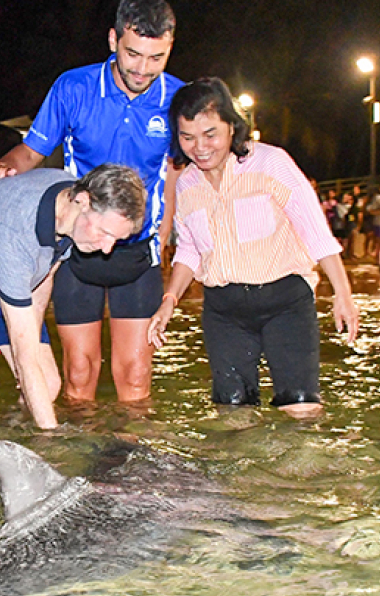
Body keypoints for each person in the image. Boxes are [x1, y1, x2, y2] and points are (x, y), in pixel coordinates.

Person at [0, 0, 182, 405]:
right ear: (112, 40)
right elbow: (32, 151)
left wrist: (167, 234)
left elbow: (178, 170)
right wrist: (0, 167)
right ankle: (78, 463)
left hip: (138, 253)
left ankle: (132, 466)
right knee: (79, 374)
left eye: (156, 58)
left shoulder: (178, 99)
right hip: (77, 251)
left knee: (136, 376)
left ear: (170, 49)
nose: (143, 69)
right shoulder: (73, 87)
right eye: (133, 54)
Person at [147, 77, 359, 419]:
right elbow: (190, 249)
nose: (199, 147)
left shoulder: (271, 163)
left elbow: (315, 231)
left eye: (210, 134)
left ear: (232, 125)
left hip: (286, 302)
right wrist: (169, 301)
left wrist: (343, 293)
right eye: (187, 137)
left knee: (301, 409)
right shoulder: (186, 183)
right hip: (224, 311)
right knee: (233, 416)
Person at [0, 164, 146, 429]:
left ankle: (15, 438)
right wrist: (51, 439)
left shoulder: (69, 207)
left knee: (47, 383)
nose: (106, 249)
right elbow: (25, 357)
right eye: (104, 233)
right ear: (82, 200)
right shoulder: (14, 230)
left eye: (116, 239)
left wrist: (31, 340)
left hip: (1, 285)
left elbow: (46, 271)